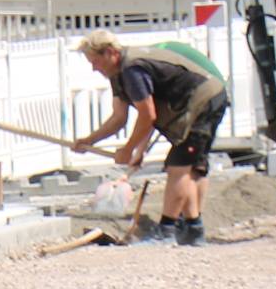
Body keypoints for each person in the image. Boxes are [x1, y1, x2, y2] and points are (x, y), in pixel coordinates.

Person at [71, 30, 231, 246]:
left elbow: (148, 115)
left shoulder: (132, 70)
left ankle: (166, 231)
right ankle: (193, 230)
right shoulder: (119, 74)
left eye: (96, 61)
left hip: (203, 102)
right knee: (187, 168)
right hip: (192, 106)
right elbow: (120, 118)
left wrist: (129, 149)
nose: (94, 67)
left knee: (179, 166)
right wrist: (89, 141)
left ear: (110, 53)